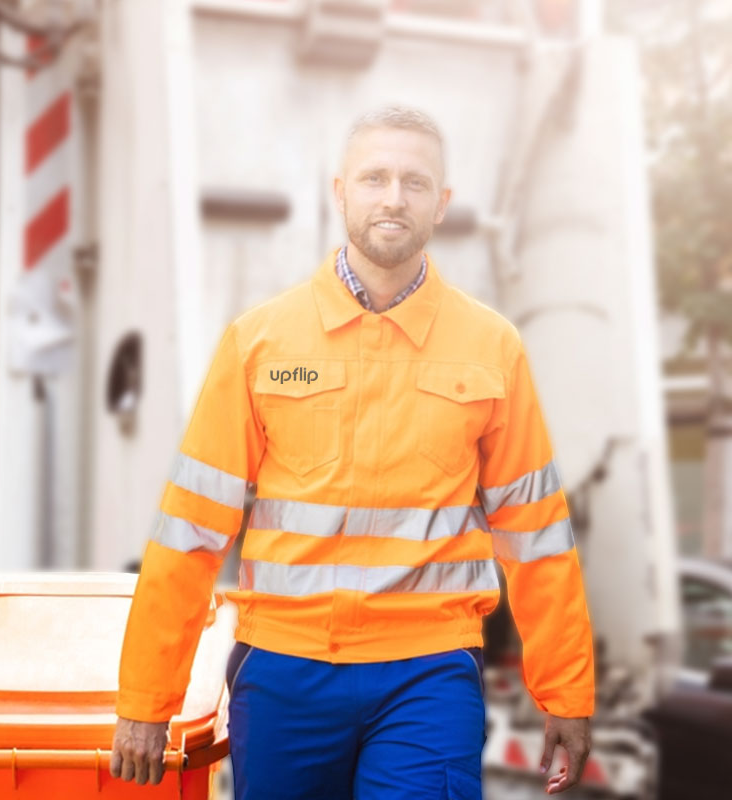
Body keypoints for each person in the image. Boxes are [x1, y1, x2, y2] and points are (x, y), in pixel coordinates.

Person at [108, 106, 594, 799]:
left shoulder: (492, 349)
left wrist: (566, 690)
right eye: (374, 178)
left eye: (414, 182)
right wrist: (146, 698)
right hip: (284, 671)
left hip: (427, 673)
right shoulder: (259, 343)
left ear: (442, 204)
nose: (393, 197)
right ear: (340, 192)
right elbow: (189, 530)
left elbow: (537, 535)